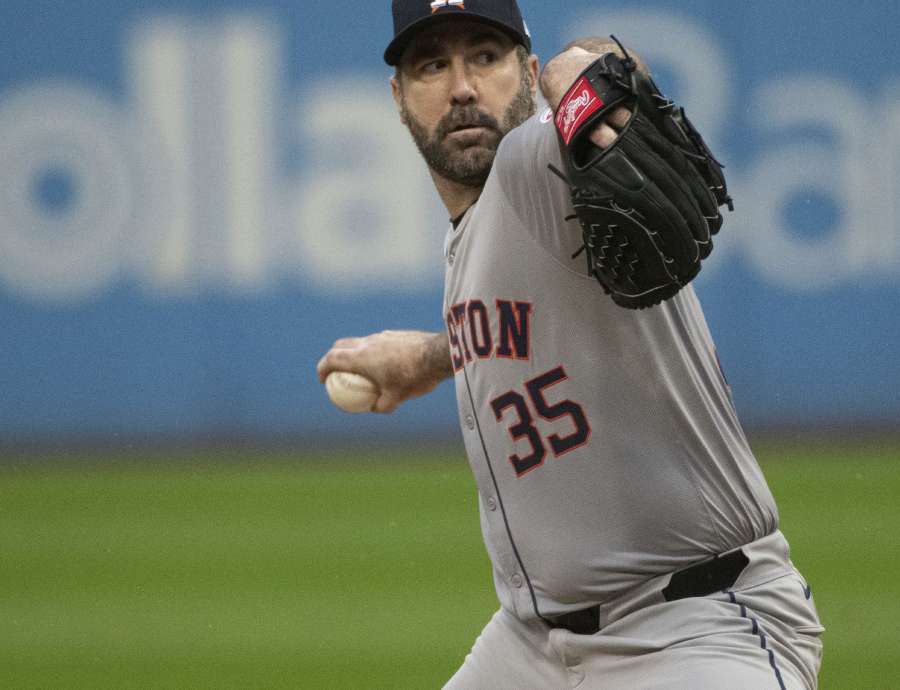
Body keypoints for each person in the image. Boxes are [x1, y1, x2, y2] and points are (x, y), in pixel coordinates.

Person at [315, 1, 823, 686]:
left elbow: (613, 84)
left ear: (526, 73)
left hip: (693, 629)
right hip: (533, 648)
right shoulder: (472, 230)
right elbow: (523, 323)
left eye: (485, 57)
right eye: (432, 64)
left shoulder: (539, 166)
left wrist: (587, 69)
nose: (463, 87)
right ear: (399, 96)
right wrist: (430, 359)